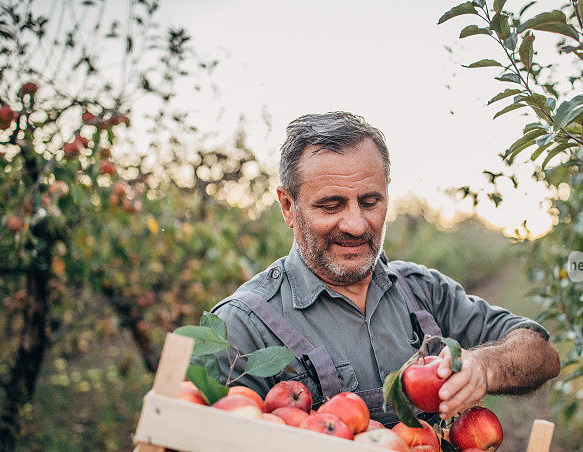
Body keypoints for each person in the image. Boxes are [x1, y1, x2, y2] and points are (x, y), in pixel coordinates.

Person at [211, 111, 560, 426]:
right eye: (331, 206)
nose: (356, 225)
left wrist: (485, 367)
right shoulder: (243, 327)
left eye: (370, 202)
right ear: (289, 207)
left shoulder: (423, 291)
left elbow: (542, 355)